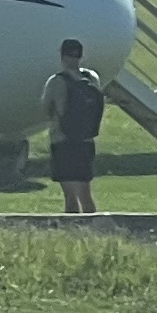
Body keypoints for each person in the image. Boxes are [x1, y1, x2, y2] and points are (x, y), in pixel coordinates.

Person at [43, 37, 111, 215]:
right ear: (80, 56)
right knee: (85, 193)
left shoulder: (56, 81)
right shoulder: (92, 78)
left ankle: (73, 229)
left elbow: (47, 109)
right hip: (86, 141)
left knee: (70, 196)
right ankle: (92, 226)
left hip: (63, 140)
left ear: (62, 56)